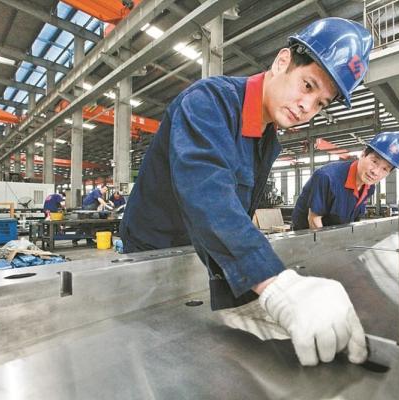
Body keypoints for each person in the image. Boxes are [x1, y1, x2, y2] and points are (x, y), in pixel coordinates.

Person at [121, 18, 372, 366]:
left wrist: (245, 293)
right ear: (282, 61)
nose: (307, 106)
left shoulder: (266, 141)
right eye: (308, 85)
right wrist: (274, 284)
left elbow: (235, 214)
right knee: (156, 357)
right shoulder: (208, 102)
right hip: (153, 254)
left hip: (203, 254)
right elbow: (207, 194)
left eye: (320, 103)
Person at [291, 132, 399, 230]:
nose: (376, 172)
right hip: (305, 240)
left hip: (337, 237)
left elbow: (353, 221)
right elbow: (313, 221)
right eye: (374, 161)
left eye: (385, 169)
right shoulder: (327, 178)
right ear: (363, 154)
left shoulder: (369, 188)